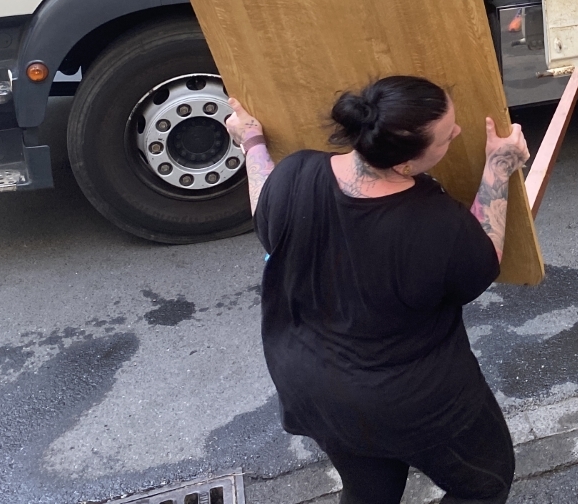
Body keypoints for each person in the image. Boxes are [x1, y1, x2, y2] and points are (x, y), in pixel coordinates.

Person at [226, 76, 531, 504]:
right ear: (405, 165)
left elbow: (265, 205)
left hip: (314, 391)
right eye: (447, 136)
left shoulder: (295, 173)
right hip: (413, 405)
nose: (458, 133)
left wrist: (252, 143)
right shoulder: (438, 225)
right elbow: (484, 261)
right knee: (484, 485)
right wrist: (498, 167)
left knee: (369, 491)